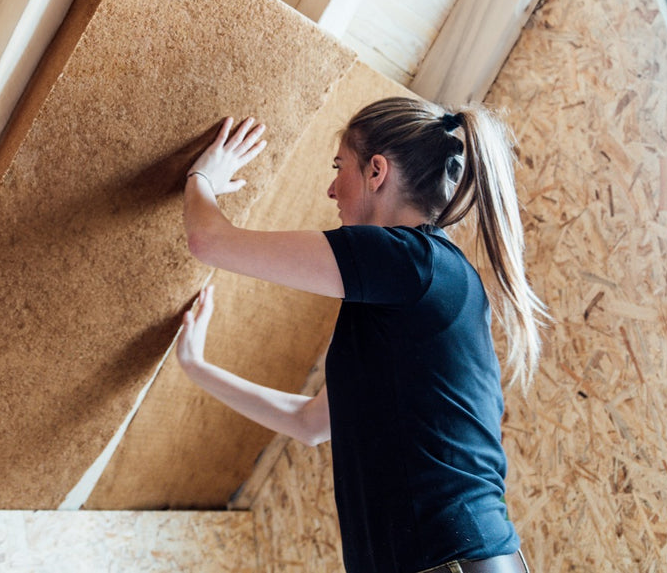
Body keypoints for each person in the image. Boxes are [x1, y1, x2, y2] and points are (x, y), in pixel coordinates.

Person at [178, 97, 547, 573]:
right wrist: (197, 368)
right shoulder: (410, 287)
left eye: (340, 167)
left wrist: (203, 177)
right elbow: (310, 423)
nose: (332, 189)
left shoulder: (411, 264)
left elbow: (208, 240)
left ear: (377, 172)